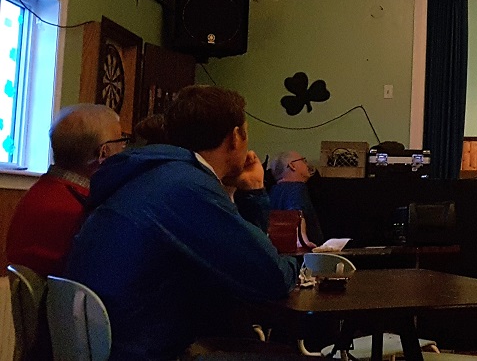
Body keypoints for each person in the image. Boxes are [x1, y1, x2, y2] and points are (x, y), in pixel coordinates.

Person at [66, 85, 299, 361]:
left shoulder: (150, 173)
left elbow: (248, 267)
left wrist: (252, 193)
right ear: (235, 137)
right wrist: (298, 265)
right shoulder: (188, 187)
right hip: (144, 349)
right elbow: (272, 278)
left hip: (111, 340)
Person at [6, 104, 126, 276]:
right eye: (121, 141)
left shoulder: (37, 193)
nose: (124, 149)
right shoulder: (83, 212)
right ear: (103, 153)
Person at [269, 151, 325, 245]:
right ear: (292, 165)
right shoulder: (297, 187)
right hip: (301, 251)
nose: (307, 164)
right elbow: (296, 214)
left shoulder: (273, 191)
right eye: (303, 160)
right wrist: (304, 241)